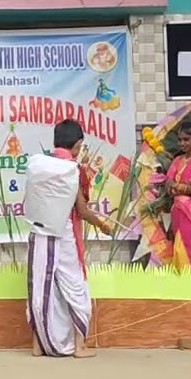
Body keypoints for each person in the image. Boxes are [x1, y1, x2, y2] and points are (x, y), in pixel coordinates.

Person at [24, 119, 115, 358]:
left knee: (41, 289)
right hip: (64, 236)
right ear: (77, 145)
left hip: (39, 233)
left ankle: (37, 345)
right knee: (76, 287)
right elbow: (82, 211)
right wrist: (103, 225)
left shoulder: (38, 166)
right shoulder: (73, 170)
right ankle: (79, 346)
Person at [164, 122, 191, 268]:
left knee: (189, 245)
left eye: (186, 139)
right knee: (178, 243)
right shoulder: (177, 160)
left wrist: (176, 186)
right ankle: (181, 281)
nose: (182, 143)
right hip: (178, 209)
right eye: (180, 139)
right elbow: (167, 183)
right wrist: (182, 187)